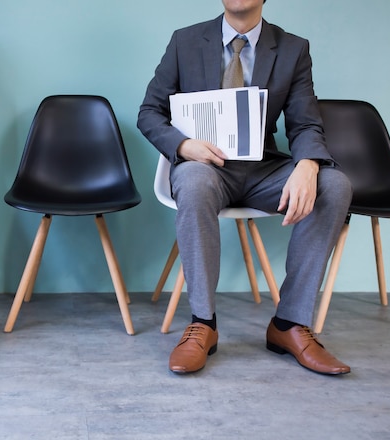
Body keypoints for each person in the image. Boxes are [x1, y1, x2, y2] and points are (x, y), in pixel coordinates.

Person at [137, 0, 352, 375]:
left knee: (333, 184)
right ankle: (203, 323)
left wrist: (307, 163)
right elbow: (149, 112)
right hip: (207, 168)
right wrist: (184, 146)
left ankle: (288, 324)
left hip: (264, 171)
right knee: (191, 177)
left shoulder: (292, 48)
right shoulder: (184, 42)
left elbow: (305, 123)